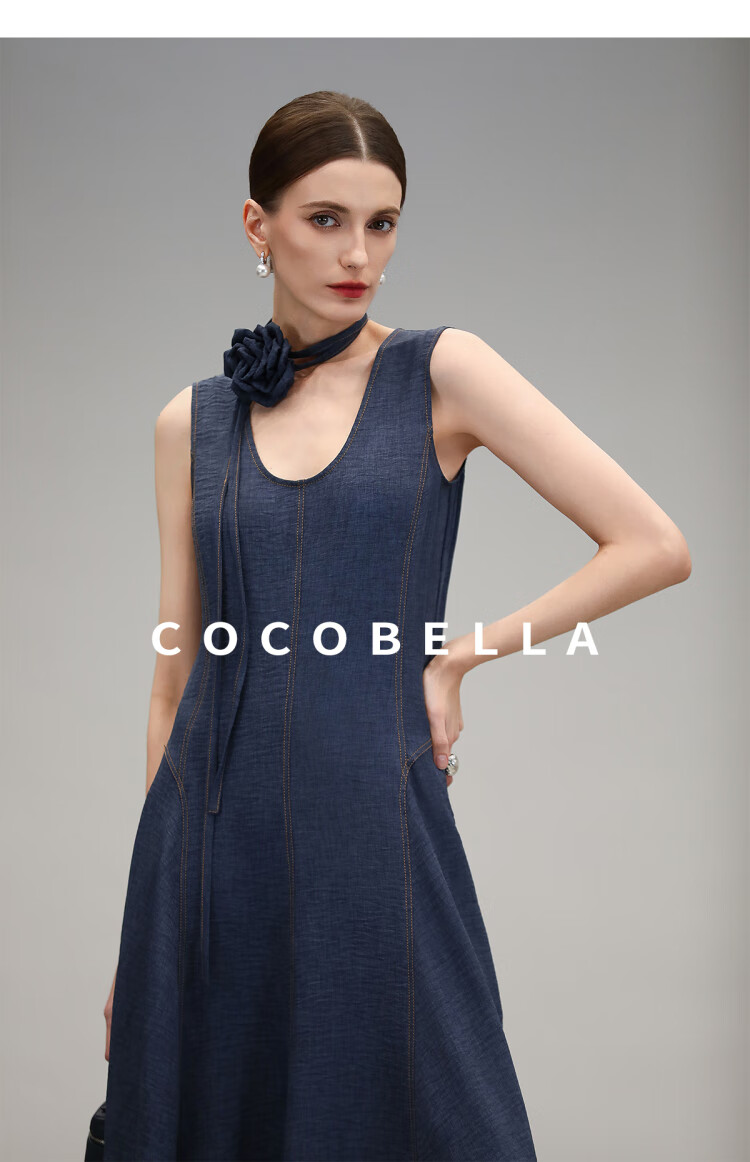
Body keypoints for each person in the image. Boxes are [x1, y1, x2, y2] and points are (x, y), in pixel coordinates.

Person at [101, 89, 691, 1162]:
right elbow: (174, 680)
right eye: (325, 219)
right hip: (210, 853)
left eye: (382, 223)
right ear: (257, 225)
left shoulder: (441, 371)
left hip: (374, 829)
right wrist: (146, 938)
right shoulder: (192, 422)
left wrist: (459, 658)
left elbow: (653, 543)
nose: (358, 254)